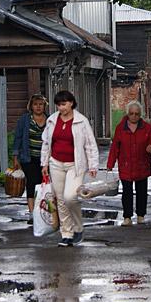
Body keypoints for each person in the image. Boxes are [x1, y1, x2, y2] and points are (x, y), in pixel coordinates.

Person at [41, 90, 99, 247]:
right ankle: (66, 233)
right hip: (56, 163)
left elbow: (90, 144)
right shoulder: (52, 120)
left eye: (64, 104)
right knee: (60, 199)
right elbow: (46, 143)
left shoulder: (81, 121)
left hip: (75, 164)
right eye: (58, 105)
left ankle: (78, 227)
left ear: (71, 103)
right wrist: (44, 164)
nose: (61, 108)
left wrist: (93, 165)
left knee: (70, 197)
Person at [106, 100, 151, 226]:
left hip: (142, 165)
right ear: (127, 114)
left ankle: (141, 215)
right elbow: (115, 147)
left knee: (141, 192)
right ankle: (127, 217)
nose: (134, 116)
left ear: (140, 114)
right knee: (126, 193)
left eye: (137, 114)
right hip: (126, 166)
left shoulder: (146, 127)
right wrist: (110, 164)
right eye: (131, 114)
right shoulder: (120, 128)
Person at [12, 94, 48, 224]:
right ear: (31, 106)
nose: (38, 107)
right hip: (28, 158)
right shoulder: (25, 120)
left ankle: (42, 211)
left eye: (41, 104)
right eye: (35, 104)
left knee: (44, 185)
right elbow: (18, 138)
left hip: (45, 159)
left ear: (44, 106)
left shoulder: (50, 120)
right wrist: (15, 157)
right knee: (32, 183)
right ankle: (32, 214)